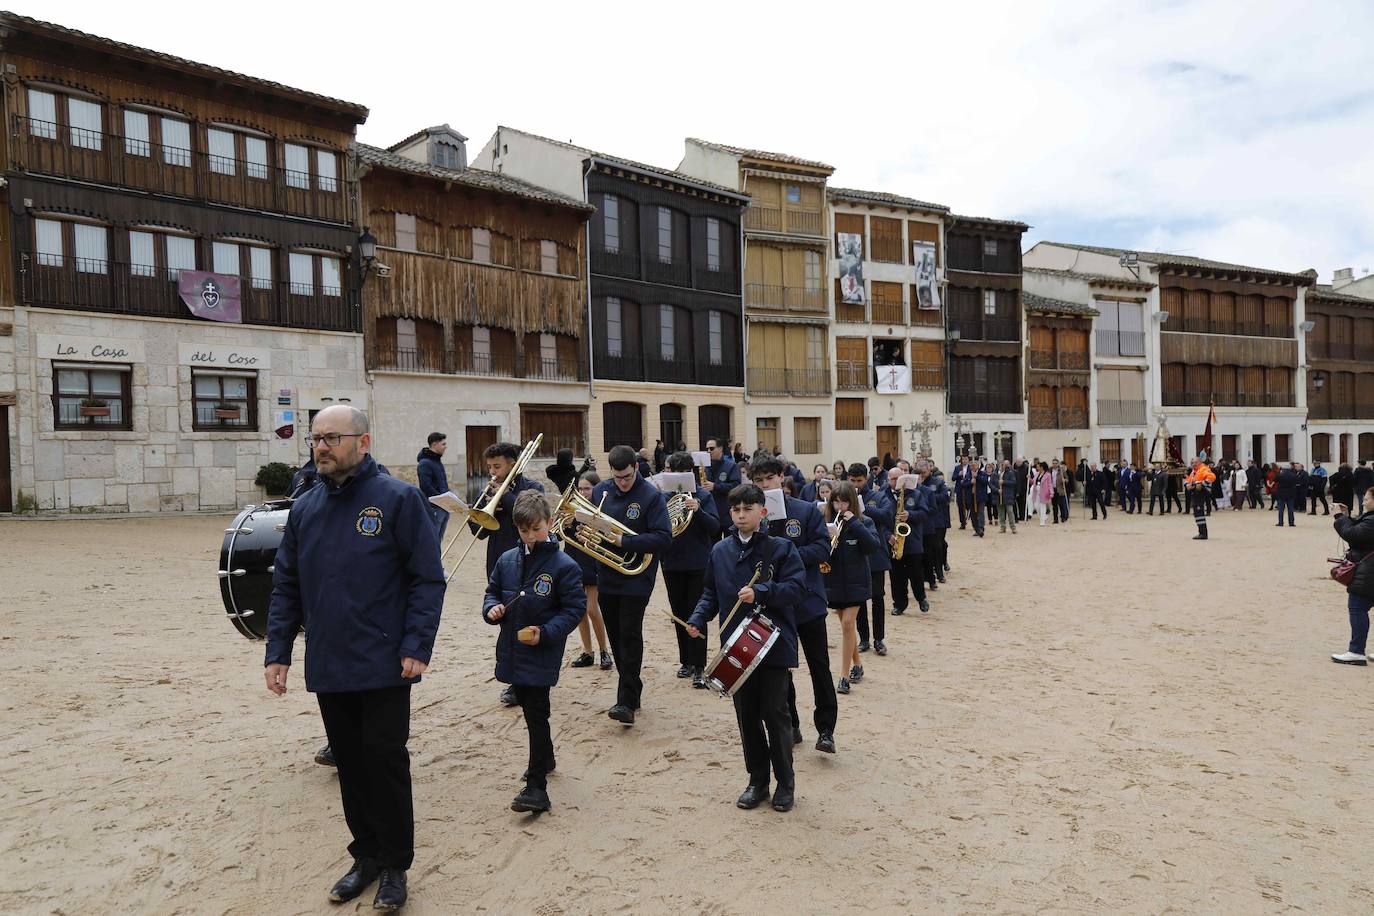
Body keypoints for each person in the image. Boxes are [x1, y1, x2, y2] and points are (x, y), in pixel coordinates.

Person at [264, 405, 445, 911]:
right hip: (330, 661)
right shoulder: (305, 508)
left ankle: (394, 865)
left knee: (385, 762)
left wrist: (416, 645)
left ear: (362, 443)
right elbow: (286, 586)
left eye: (331, 438)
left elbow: (427, 579)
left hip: (386, 662)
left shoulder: (398, 499)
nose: (320, 447)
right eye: (315, 438)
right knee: (350, 764)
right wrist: (278, 652)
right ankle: (365, 855)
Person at [686, 484, 806, 812]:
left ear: (762, 512)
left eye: (748, 509)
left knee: (776, 713)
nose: (741, 515)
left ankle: (785, 782)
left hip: (772, 644)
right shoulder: (720, 551)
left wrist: (763, 591)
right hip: (736, 649)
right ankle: (757, 781)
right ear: (730, 513)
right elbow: (710, 592)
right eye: (736, 510)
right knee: (746, 715)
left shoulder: (781, 548)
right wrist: (697, 618)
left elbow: (796, 588)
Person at [482, 491, 585, 814]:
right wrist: (493, 609)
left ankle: (536, 786)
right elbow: (492, 592)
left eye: (536, 529)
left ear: (550, 523)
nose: (530, 536)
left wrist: (547, 632)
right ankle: (547, 757)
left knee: (536, 713)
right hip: (512, 647)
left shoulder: (564, 565)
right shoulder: (507, 560)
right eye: (524, 531)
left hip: (542, 650)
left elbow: (574, 608)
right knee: (528, 706)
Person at [751, 455, 837, 753]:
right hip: (775, 605)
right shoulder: (755, 517)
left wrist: (787, 553)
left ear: (781, 478)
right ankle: (792, 724)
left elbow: (823, 548)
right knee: (780, 670)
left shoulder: (804, 511)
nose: (765, 485)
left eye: (769, 479)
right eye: (758, 481)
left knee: (819, 667)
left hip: (807, 602)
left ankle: (826, 729)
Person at [593, 445, 672, 726]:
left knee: (629, 633)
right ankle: (632, 689)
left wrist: (623, 541)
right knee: (615, 635)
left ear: (636, 469)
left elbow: (663, 537)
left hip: (637, 577)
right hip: (608, 575)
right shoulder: (602, 490)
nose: (622, 483)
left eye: (626, 477)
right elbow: (592, 525)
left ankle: (625, 701)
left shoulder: (651, 496)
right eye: (617, 478)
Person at [469, 442, 546, 707]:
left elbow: (534, 519)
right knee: (507, 623)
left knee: (529, 619)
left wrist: (505, 500)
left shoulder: (532, 489)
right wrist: (479, 512)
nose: (492, 472)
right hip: (501, 564)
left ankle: (525, 679)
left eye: (497, 466)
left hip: (530, 564)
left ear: (513, 464)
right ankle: (515, 677)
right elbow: (478, 534)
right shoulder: (489, 491)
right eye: (489, 467)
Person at [662, 451, 720, 687]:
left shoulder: (703, 496)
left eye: (681, 473)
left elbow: (715, 527)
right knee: (679, 614)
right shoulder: (665, 497)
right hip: (671, 562)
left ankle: (699, 665)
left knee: (697, 614)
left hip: (697, 563)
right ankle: (685, 661)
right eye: (672, 472)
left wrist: (698, 510)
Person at [822, 481, 880, 694]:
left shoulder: (865, 521)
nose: (840, 506)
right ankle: (858, 665)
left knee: (848, 623)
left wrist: (855, 523)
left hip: (857, 582)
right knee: (847, 628)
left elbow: (873, 547)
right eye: (836, 502)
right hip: (834, 581)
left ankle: (843, 676)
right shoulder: (826, 522)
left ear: (852, 503)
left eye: (844, 502)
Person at [566, 472, 613, 672]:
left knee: (592, 609)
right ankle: (588, 652)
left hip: (593, 562)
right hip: (573, 560)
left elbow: (607, 537)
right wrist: (568, 526)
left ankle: (604, 650)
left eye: (587, 488)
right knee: (579, 611)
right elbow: (562, 536)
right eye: (581, 488)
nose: (583, 492)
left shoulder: (603, 509)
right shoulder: (574, 509)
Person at [848, 463, 894, 645]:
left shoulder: (878, 496)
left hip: (876, 555)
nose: (856, 484)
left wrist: (864, 509)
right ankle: (864, 639)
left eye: (859, 481)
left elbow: (886, 516)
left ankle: (879, 639)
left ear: (866, 478)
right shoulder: (846, 497)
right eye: (852, 481)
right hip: (855, 555)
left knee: (878, 598)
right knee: (859, 601)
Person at [1332, 487, 1374, 665]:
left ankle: (1356, 651)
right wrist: (1347, 516)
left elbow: (1353, 535)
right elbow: (1360, 529)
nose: (1363, 502)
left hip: (1369, 572)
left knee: (1357, 607)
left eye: (1366, 499)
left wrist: (1340, 518)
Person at [888, 465, 931, 616]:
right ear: (888, 480)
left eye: (898, 478)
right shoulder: (882, 495)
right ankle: (899, 604)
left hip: (912, 541)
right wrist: (888, 535)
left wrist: (910, 515)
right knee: (896, 577)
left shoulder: (915, 494)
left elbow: (925, 513)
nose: (896, 481)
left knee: (916, 574)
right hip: (894, 542)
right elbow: (880, 520)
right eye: (892, 479)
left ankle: (921, 598)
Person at [703, 437, 742, 541]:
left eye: (711, 449)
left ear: (720, 449)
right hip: (711, 512)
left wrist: (715, 487)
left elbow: (736, 486)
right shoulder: (705, 467)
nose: (708, 451)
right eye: (707, 449)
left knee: (731, 543)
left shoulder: (731, 466)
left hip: (726, 511)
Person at [416, 432, 450, 539]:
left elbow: (442, 485)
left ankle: (436, 556)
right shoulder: (425, 463)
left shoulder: (437, 461)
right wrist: (441, 500)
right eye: (443, 444)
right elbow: (426, 487)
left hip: (443, 507)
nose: (446, 447)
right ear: (435, 445)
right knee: (432, 539)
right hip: (434, 508)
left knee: (438, 539)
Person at [1184, 458, 1215, 539]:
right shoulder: (1194, 471)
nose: (1192, 464)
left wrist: (1202, 484)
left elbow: (1212, 477)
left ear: (1199, 462)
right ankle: (1201, 532)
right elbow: (1189, 479)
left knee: (1199, 512)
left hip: (1201, 492)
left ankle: (1203, 533)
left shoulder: (1203, 469)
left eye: (1194, 462)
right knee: (1197, 513)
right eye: (1191, 462)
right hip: (1195, 492)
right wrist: (1187, 485)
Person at [997, 459, 1018, 533]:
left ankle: (1013, 527)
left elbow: (1013, 482)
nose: (1004, 466)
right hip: (999, 495)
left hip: (1008, 495)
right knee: (1001, 512)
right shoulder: (997, 473)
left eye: (1006, 464)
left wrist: (1004, 482)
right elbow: (992, 482)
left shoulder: (1010, 473)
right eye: (1003, 464)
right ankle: (1003, 527)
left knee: (1010, 511)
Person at [1275, 463, 1299, 527]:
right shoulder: (1293, 475)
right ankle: (1291, 523)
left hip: (1281, 493)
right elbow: (1296, 482)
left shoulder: (1280, 475)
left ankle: (1280, 522)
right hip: (1291, 493)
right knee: (1290, 509)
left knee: (1281, 509)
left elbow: (1275, 480)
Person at [952, 456, 972, 529]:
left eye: (966, 459)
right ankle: (962, 522)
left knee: (969, 505)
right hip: (960, 490)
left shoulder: (970, 467)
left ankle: (970, 518)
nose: (964, 461)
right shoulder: (957, 468)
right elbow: (953, 478)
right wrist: (958, 475)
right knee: (960, 506)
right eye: (963, 459)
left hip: (968, 489)